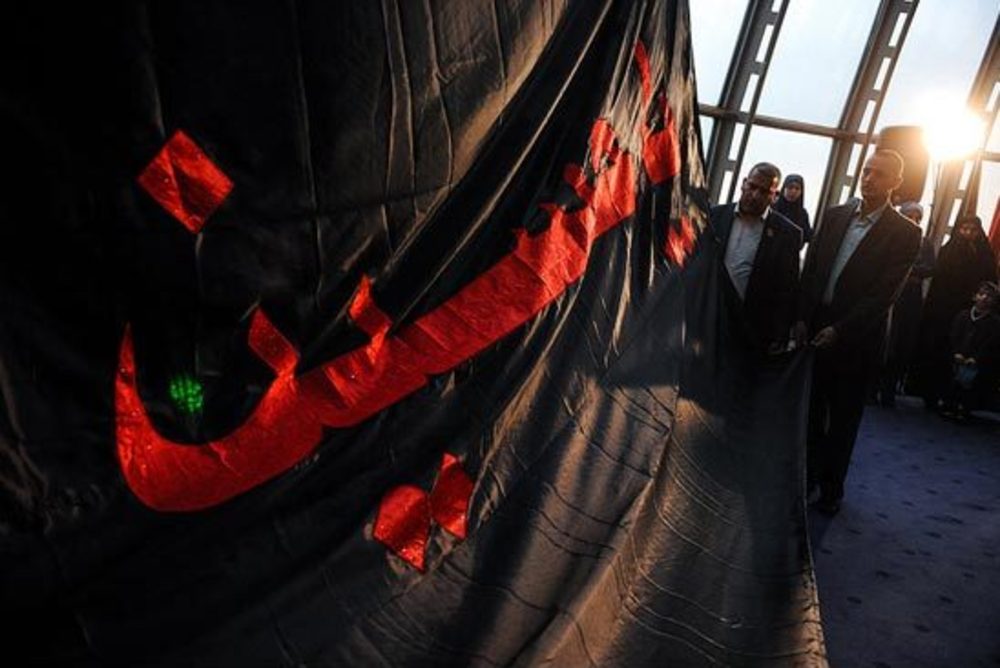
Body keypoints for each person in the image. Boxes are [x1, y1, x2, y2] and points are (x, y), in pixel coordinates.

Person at [794, 149, 920, 516]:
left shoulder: (905, 233)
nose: (869, 178)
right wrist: (801, 318)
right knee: (811, 412)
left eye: (879, 174)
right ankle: (808, 479)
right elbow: (811, 271)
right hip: (816, 328)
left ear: (896, 182)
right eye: (866, 171)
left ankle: (831, 490)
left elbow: (884, 295)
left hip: (857, 339)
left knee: (843, 418)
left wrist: (841, 329)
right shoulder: (835, 216)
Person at [710, 162, 802, 355]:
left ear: (774, 196)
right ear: (743, 183)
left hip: (750, 331)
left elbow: (787, 289)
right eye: (752, 186)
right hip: (707, 318)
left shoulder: (787, 234)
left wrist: (779, 336)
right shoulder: (714, 217)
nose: (755, 195)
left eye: (764, 191)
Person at [914, 214, 998, 410]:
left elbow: (990, 282)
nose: (968, 233)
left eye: (973, 230)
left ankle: (961, 402)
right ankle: (932, 395)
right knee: (942, 352)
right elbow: (940, 284)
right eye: (964, 229)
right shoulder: (948, 251)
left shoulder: (985, 255)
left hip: (975, 314)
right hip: (945, 313)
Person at [876, 202, 935, 406]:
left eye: (918, 218)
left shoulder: (925, 243)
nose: (914, 221)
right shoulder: (892, 237)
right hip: (892, 293)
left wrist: (908, 269)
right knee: (885, 340)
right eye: (910, 216)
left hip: (911, 297)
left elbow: (929, 267)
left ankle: (888, 390)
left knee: (902, 342)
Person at [940, 282, 1000, 420]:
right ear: (974, 296)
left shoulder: (995, 323)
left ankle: (965, 406)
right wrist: (956, 352)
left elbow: (990, 345)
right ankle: (949, 403)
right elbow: (953, 336)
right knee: (953, 373)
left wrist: (977, 358)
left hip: (977, 361)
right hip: (958, 357)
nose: (984, 298)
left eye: (989, 296)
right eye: (981, 294)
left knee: (971, 378)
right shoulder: (963, 316)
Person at [773, 174, 812, 248]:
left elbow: (806, 236)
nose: (793, 191)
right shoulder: (773, 208)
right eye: (790, 187)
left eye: (797, 188)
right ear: (784, 188)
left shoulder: (803, 214)